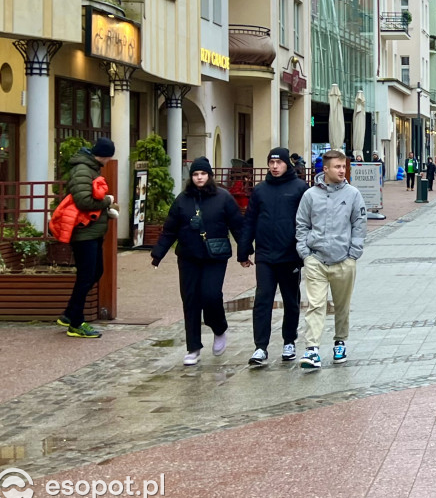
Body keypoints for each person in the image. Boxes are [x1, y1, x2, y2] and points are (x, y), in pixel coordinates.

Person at [151, 157, 245, 366]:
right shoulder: (182, 200)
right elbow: (170, 229)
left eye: (202, 174)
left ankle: (219, 328)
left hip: (215, 256)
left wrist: (245, 253)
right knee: (191, 300)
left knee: (211, 296)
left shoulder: (224, 198)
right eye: (195, 174)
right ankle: (193, 347)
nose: (199, 177)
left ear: (209, 175)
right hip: (188, 257)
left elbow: (238, 226)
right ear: (191, 177)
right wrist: (158, 253)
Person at [295, 149, 367, 369]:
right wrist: (305, 253)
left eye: (344, 167)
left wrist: (353, 253)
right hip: (316, 259)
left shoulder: (353, 194)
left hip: (343, 260)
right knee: (315, 305)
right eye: (337, 167)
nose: (342, 171)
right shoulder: (310, 195)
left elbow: (359, 224)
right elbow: (301, 225)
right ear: (325, 169)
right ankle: (312, 349)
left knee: (341, 306)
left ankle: (340, 342)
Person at [238, 147, 309, 366]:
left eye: (278, 163)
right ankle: (260, 347)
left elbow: (308, 221)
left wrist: (306, 250)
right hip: (265, 255)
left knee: (291, 299)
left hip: (290, 255)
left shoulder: (300, 188)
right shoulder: (260, 190)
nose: (274, 167)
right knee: (262, 300)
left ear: (287, 164)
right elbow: (249, 220)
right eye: (271, 163)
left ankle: (289, 341)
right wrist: (243, 249)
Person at [60, 137, 118, 339]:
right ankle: (76, 323)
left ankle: (69, 314)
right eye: (109, 157)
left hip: (91, 231)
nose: (109, 161)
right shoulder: (83, 169)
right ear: (103, 155)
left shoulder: (91, 168)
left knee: (95, 272)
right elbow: (83, 200)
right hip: (83, 232)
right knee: (86, 276)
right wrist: (107, 202)